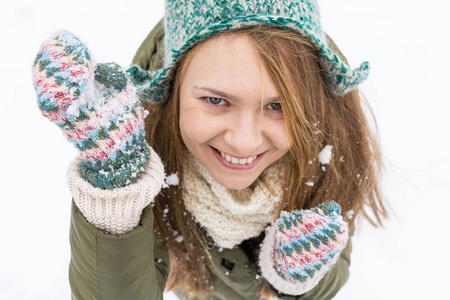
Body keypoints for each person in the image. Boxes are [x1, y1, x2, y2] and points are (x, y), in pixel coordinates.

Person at [32, 0, 387, 299]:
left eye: (278, 107)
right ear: (173, 89)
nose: (244, 141)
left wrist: (295, 279)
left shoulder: (324, 147)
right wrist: (118, 187)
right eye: (216, 100)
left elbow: (337, 263)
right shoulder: (152, 160)